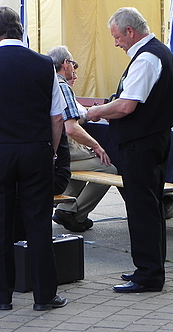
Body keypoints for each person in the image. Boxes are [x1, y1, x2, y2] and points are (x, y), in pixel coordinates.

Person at [0, 6, 67, 311]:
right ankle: (45, 296)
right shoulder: (45, 63)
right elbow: (56, 118)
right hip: (36, 149)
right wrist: (52, 151)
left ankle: (2, 296)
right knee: (38, 223)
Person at [86, 7, 173, 293]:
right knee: (149, 207)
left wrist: (95, 112)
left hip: (142, 143)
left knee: (143, 208)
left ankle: (149, 274)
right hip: (151, 140)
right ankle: (148, 267)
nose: (116, 43)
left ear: (130, 31)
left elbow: (126, 105)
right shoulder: (161, 52)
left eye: (117, 36)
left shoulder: (147, 58)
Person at [47, 46, 117, 232]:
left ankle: (65, 208)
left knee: (81, 166)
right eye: (73, 64)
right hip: (61, 152)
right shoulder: (62, 87)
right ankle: (76, 213)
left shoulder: (46, 83)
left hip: (46, 151)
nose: (74, 69)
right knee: (108, 168)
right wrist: (97, 146)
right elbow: (71, 128)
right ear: (65, 64)